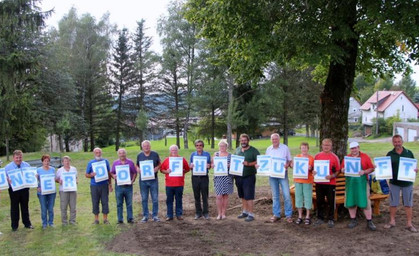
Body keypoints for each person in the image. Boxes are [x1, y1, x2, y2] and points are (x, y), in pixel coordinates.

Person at [384, 135, 418, 232]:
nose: (397, 144)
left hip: (407, 183)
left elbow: (413, 166)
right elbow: (385, 167)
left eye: (399, 141)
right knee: (393, 203)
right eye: (395, 142)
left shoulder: (408, 153)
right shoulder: (390, 154)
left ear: (402, 142)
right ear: (393, 143)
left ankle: (409, 223)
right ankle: (392, 221)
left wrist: (415, 170)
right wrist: (380, 168)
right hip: (394, 182)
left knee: (408, 203)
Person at [341, 142, 376, 231]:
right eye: (352, 148)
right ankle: (353, 219)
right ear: (350, 149)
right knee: (351, 201)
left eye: (355, 148)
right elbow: (341, 169)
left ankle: (369, 221)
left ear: (358, 148)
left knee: (366, 201)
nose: (354, 150)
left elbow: (371, 168)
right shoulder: (347, 158)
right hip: (351, 183)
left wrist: (364, 172)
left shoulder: (365, 157)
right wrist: (343, 169)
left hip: (362, 183)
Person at [265, 133, 293, 223]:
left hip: (282, 175)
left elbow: (290, 161)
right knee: (275, 196)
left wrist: (287, 165)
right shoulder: (269, 149)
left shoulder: (285, 148)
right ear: (271, 140)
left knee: (286, 194)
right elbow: (266, 162)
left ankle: (288, 215)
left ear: (279, 139)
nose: (274, 141)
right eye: (273, 139)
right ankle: (276, 214)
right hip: (272, 175)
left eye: (276, 139)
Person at [313, 138, 340, 228]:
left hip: (330, 183)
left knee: (331, 201)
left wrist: (332, 176)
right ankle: (320, 218)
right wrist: (313, 172)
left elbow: (337, 171)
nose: (326, 147)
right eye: (324, 145)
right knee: (319, 201)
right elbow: (313, 169)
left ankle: (331, 219)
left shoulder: (335, 157)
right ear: (322, 145)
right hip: (319, 182)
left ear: (331, 146)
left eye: (328, 145)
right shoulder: (317, 156)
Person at [5, 150, 34, 231]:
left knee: (25, 206)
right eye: (17, 157)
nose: (18, 159)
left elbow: (31, 176)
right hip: (14, 190)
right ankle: (14, 226)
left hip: (24, 189)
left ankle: (27, 224)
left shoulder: (26, 165)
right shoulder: (8, 167)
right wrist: (7, 179)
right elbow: (3, 178)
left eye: (20, 157)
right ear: (13, 158)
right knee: (14, 207)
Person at [160, 145, 190, 221]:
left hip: (179, 183)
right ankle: (169, 215)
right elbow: (161, 169)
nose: (174, 151)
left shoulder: (182, 159)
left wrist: (183, 171)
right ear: (170, 151)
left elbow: (188, 169)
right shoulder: (167, 160)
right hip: (169, 184)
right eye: (172, 150)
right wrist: (166, 171)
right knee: (169, 200)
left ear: (177, 151)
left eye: (175, 150)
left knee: (179, 199)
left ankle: (179, 214)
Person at [235, 133, 260, 222]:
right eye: (242, 140)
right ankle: (245, 211)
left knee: (249, 195)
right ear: (239, 141)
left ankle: (251, 213)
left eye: (245, 140)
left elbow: (259, 161)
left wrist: (249, 164)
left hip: (249, 175)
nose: (243, 142)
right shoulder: (237, 150)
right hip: (238, 176)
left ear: (248, 141)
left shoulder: (254, 150)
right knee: (242, 195)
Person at [85, 147, 112, 224]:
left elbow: (109, 174)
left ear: (101, 153)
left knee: (105, 201)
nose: (98, 154)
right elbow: (86, 175)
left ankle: (105, 219)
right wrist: (91, 175)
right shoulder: (90, 163)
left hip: (104, 185)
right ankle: (96, 219)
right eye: (96, 152)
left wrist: (110, 184)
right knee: (95, 201)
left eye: (99, 152)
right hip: (94, 185)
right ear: (94, 154)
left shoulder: (105, 161)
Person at [136, 140, 161, 222]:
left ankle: (155, 215)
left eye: (148, 145)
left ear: (150, 146)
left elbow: (159, 164)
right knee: (144, 198)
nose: (146, 147)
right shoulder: (139, 155)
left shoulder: (155, 154)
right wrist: (138, 169)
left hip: (153, 179)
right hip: (143, 180)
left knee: (155, 198)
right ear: (142, 147)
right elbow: (137, 165)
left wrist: (156, 168)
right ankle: (145, 216)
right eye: (144, 146)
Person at [111, 148, 137, 224]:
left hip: (128, 186)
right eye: (120, 153)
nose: (122, 154)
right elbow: (112, 172)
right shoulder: (115, 163)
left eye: (123, 153)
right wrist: (114, 176)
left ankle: (130, 218)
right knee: (119, 203)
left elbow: (134, 172)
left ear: (125, 154)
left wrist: (132, 181)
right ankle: (120, 219)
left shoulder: (130, 162)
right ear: (118, 154)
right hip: (119, 186)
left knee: (129, 203)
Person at [190, 139, 211, 220]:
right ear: (195, 146)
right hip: (195, 177)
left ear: (203, 146)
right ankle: (198, 213)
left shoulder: (207, 154)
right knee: (196, 195)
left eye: (200, 145)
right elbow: (190, 165)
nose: (199, 147)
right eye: (197, 145)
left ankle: (206, 212)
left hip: (204, 177)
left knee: (205, 195)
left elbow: (209, 165)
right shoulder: (192, 155)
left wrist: (208, 166)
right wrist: (191, 166)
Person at [212, 140, 234, 220]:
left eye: (223, 146)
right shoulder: (216, 154)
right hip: (218, 177)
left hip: (227, 177)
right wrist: (213, 165)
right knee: (219, 196)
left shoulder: (230, 155)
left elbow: (234, 166)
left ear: (226, 147)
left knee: (225, 196)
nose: (222, 147)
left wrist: (229, 165)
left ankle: (224, 213)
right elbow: (212, 165)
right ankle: (219, 213)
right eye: (220, 146)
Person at [294, 142, 314, 225]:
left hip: (307, 181)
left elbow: (314, 170)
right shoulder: (297, 157)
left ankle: (307, 216)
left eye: (305, 148)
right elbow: (293, 166)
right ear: (300, 149)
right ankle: (299, 216)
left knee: (308, 197)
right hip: (298, 180)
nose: (304, 149)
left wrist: (311, 168)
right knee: (298, 198)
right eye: (302, 148)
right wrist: (292, 164)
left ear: (308, 149)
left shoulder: (311, 158)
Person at [55, 156, 78, 225]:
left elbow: (76, 177)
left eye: (68, 161)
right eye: (65, 161)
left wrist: (76, 181)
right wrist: (59, 181)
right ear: (62, 162)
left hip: (73, 189)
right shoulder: (60, 170)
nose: (67, 162)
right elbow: (56, 179)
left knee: (73, 206)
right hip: (63, 190)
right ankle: (64, 222)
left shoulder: (74, 169)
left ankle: (72, 221)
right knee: (64, 206)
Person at [37, 154, 57, 229]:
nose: (46, 162)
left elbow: (54, 179)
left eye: (48, 161)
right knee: (44, 208)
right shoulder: (38, 170)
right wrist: (37, 186)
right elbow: (34, 180)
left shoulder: (52, 169)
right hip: (42, 192)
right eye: (45, 161)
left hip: (51, 191)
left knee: (51, 208)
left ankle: (51, 222)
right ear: (42, 162)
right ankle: (44, 223)